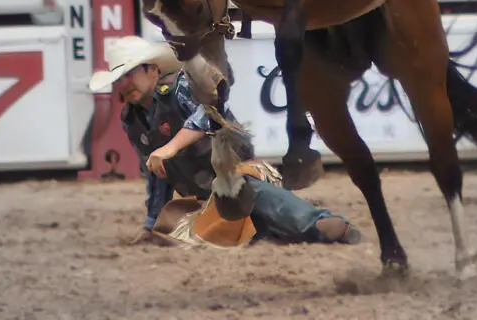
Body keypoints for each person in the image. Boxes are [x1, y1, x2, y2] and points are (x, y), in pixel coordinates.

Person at [89, 35, 362, 248]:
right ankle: (303, 230)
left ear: (152, 70)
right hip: (204, 199)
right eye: (118, 78)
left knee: (249, 192)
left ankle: (319, 223)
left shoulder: (180, 87)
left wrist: (169, 147)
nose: (124, 84)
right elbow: (157, 175)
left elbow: (210, 115)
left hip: (237, 175)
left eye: (129, 74)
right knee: (227, 226)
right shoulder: (132, 118)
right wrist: (150, 224)